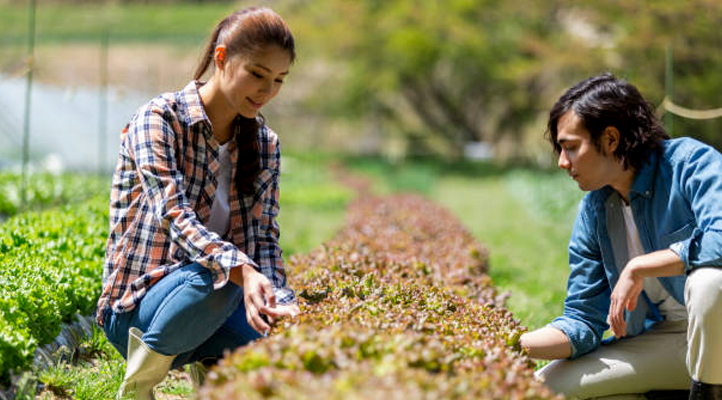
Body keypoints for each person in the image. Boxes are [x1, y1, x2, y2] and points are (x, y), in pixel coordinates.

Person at [95, 7, 300, 399]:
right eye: (257, 74)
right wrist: (242, 270)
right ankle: (137, 389)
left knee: (260, 303)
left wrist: (283, 304)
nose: (267, 91)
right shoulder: (159, 119)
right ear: (221, 59)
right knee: (225, 274)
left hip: (210, 312)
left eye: (278, 80)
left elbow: (264, 239)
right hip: (138, 315)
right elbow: (175, 217)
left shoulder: (264, 144)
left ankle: (213, 382)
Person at [519, 73, 722, 400]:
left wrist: (640, 266)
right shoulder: (595, 210)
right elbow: (583, 320)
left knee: (709, 282)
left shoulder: (690, 163)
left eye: (571, 147)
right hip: (669, 341)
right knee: (541, 389)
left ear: (611, 139)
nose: (561, 162)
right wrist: (509, 343)